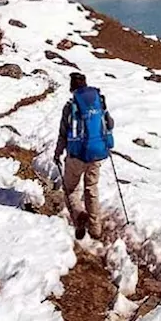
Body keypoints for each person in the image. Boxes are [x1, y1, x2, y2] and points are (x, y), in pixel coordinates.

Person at [54, 71, 115, 240]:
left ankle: (78, 214)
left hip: (76, 156)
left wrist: (58, 152)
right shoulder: (99, 102)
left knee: (71, 188)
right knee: (91, 189)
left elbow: (63, 134)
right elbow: (110, 124)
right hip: (97, 154)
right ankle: (95, 229)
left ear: (72, 87)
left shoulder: (70, 107)